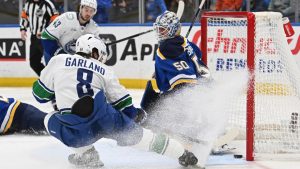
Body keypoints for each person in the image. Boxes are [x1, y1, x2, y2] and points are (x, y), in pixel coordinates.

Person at [32, 34, 199, 168]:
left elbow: (39, 96)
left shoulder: (57, 61)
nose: (101, 59)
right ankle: (183, 155)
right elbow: (123, 104)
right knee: (142, 138)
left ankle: (87, 154)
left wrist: (60, 89)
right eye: (100, 54)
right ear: (93, 51)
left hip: (75, 129)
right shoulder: (104, 70)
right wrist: (136, 116)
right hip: (104, 118)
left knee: (49, 118)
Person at [140, 11, 223, 168]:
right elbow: (200, 64)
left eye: (163, 29)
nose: (159, 32)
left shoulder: (166, 47)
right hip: (203, 86)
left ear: (172, 30)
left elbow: (183, 79)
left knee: (155, 90)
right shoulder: (187, 43)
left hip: (187, 90)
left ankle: (149, 122)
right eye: (159, 29)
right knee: (153, 83)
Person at [41, 0, 101, 64]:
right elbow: (45, 36)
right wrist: (59, 54)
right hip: (54, 56)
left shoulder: (94, 28)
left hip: (75, 62)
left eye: (91, 11)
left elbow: (94, 49)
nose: (88, 14)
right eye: (86, 10)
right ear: (80, 8)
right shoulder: (66, 18)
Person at [20, 0, 59, 76]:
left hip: (47, 38)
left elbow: (56, 18)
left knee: (50, 61)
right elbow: (24, 17)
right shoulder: (28, 4)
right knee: (34, 63)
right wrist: (23, 29)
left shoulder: (48, 3)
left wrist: (47, 31)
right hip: (34, 37)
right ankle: (46, 80)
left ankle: (54, 80)